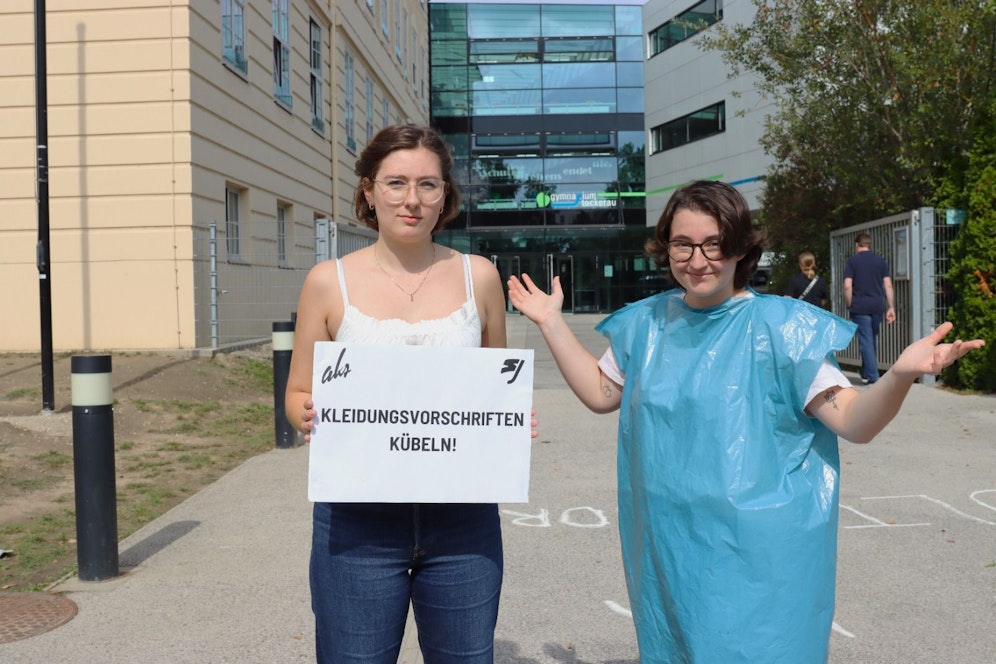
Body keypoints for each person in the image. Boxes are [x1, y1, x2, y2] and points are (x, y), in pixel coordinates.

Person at [506, 180, 984, 663]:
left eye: (714, 244)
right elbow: (601, 392)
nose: (697, 260)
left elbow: (856, 421)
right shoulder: (647, 324)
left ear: (740, 248)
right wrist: (550, 322)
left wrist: (899, 374)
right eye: (683, 244)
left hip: (761, 558)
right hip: (670, 547)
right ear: (665, 248)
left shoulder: (783, 329)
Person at [285, 124, 511, 663]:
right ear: (368, 190)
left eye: (428, 185)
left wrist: (507, 423)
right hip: (357, 519)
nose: (412, 199)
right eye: (396, 183)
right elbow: (297, 391)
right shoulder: (327, 281)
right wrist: (308, 415)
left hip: (463, 517)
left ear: (444, 196)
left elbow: (498, 383)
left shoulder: (479, 277)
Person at [844, 233, 896, 383]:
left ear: (856, 245)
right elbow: (888, 284)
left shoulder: (852, 262)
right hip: (877, 305)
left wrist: (849, 303)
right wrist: (891, 307)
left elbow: (847, 285)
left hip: (860, 306)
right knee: (871, 338)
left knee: (866, 340)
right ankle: (866, 371)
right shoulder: (880, 261)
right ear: (869, 245)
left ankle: (873, 376)